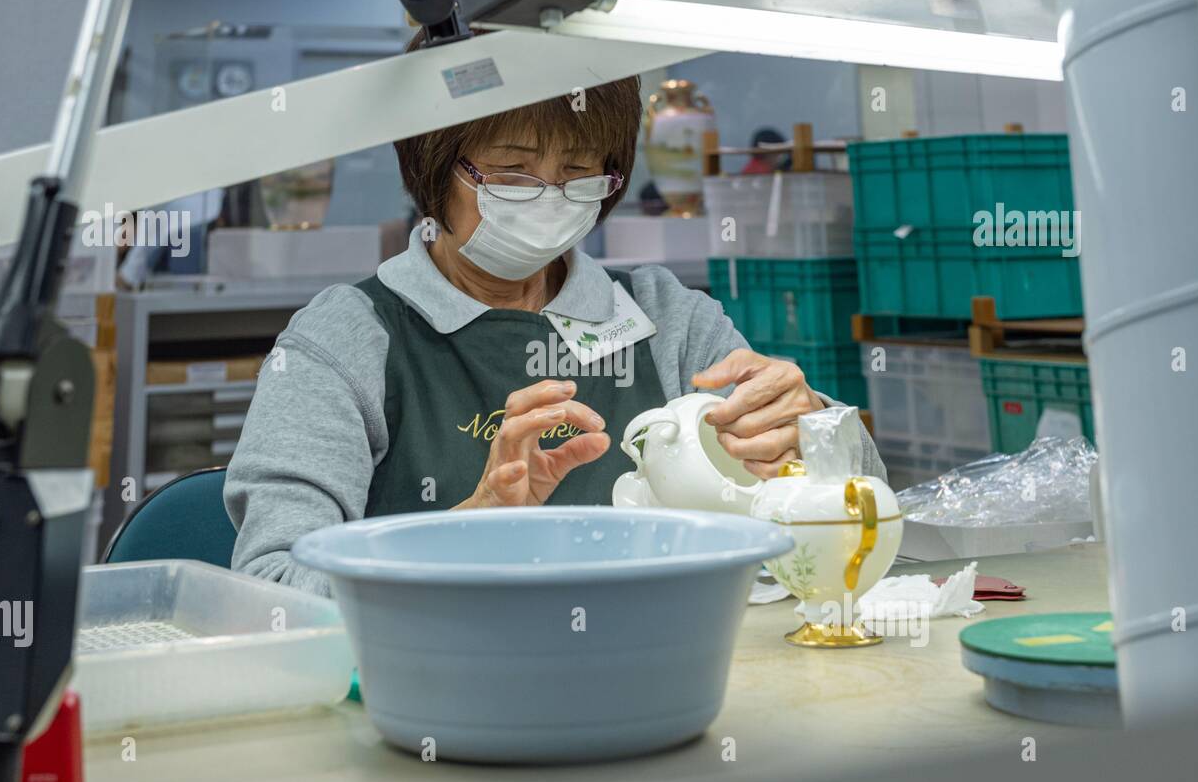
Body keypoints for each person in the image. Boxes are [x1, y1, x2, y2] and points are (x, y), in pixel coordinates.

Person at [224, 36, 886, 594]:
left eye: (578, 176)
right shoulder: (348, 340)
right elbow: (273, 589)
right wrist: (462, 535)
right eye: (512, 173)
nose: (547, 202)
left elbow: (861, 507)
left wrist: (815, 437)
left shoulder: (665, 319)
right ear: (433, 167)